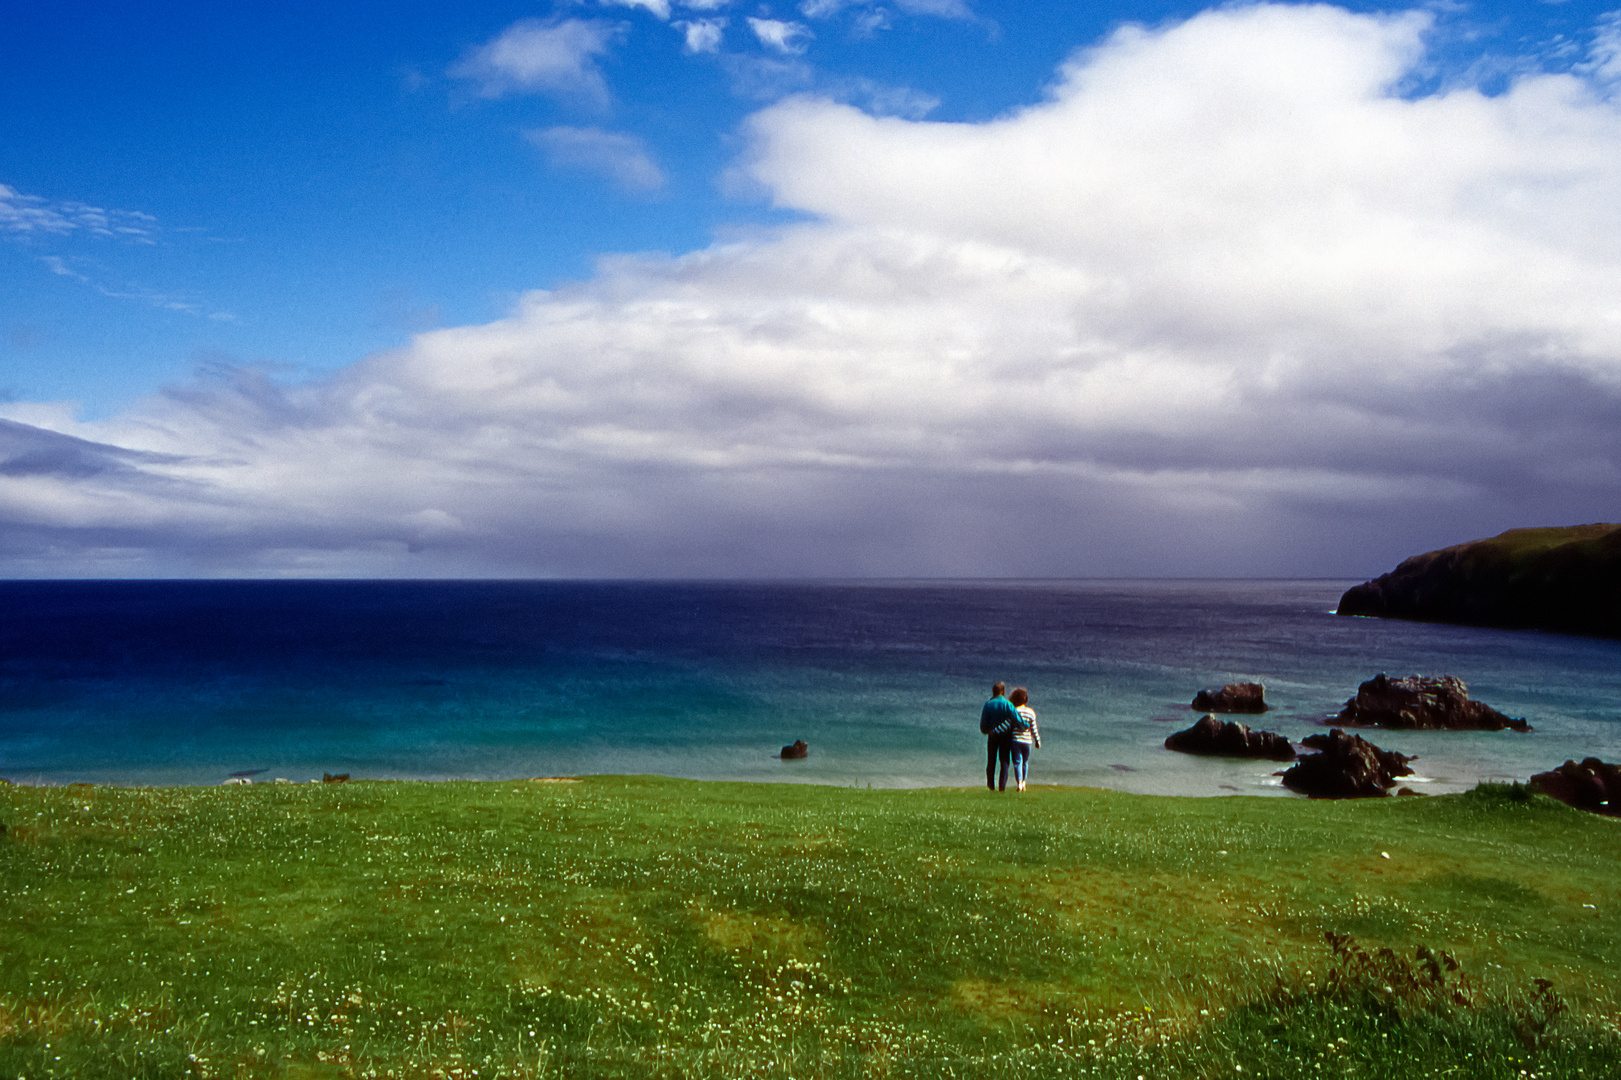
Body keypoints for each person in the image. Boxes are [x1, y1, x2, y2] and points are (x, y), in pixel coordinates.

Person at [980, 681, 1019, 791]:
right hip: (1006, 736)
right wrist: (1025, 726)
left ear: (993, 692)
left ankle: (990, 786)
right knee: (1004, 761)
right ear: (1003, 692)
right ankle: (1002, 787)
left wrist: (986, 731)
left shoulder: (988, 704)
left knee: (991, 761)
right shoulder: (1008, 704)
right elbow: (1017, 719)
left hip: (992, 736)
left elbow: (983, 724)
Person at [1007, 687, 1041, 792]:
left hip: (1016, 740)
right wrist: (1037, 740)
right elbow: (1033, 728)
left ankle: (1019, 783)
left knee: (1017, 762)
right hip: (1027, 741)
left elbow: (1010, 727)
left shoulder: (1014, 711)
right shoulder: (1031, 712)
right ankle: (1024, 782)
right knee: (1025, 762)